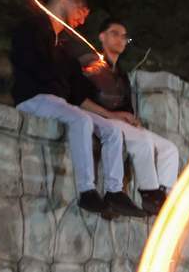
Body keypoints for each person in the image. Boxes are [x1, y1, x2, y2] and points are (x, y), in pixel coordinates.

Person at [9, 0, 137, 219]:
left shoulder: (61, 44)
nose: (81, 18)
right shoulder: (33, 28)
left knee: (112, 132)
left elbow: (72, 90)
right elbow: (32, 68)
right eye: (80, 9)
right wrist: (67, 69)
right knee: (81, 121)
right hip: (33, 98)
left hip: (56, 102)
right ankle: (87, 190)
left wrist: (84, 70)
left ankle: (114, 191)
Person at [71, 17, 180, 216]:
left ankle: (163, 196)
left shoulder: (121, 75)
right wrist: (113, 115)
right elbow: (79, 99)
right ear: (102, 37)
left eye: (124, 37)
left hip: (120, 123)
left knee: (169, 149)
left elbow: (126, 107)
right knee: (143, 140)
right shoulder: (91, 65)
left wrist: (131, 118)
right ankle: (149, 193)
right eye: (115, 34)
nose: (121, 39)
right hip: (99, 118)